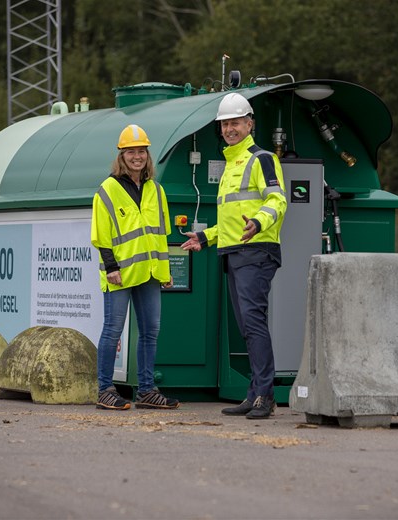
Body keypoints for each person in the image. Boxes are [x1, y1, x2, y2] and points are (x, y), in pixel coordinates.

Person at [181, 93, 287, 419]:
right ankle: (254, 393)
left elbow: (279, 200)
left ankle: (265, 397)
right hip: (234, 252)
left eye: (235, 122)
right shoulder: (231, 163)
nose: (230, 129)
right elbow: (230, 221)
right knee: (246, 327)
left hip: (256, 251)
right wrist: (205, 236)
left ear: (249, 123)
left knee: (253, 324)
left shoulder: (262, 159)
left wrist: (258, 222)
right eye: (225, 124)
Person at [91, 124, 179, 411]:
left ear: (147, 155)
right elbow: (101, 234)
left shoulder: (156, 190)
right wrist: (111, 266)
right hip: (120, 272)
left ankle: (146, 390)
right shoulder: (108, 189)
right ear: (121, 156)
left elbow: (161, 234)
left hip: (150, 273)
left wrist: (165, 272)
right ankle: (105, 389)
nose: (137, 156)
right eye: (131, 151)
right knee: (113, 330)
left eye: (141, 151)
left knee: (150, 331)